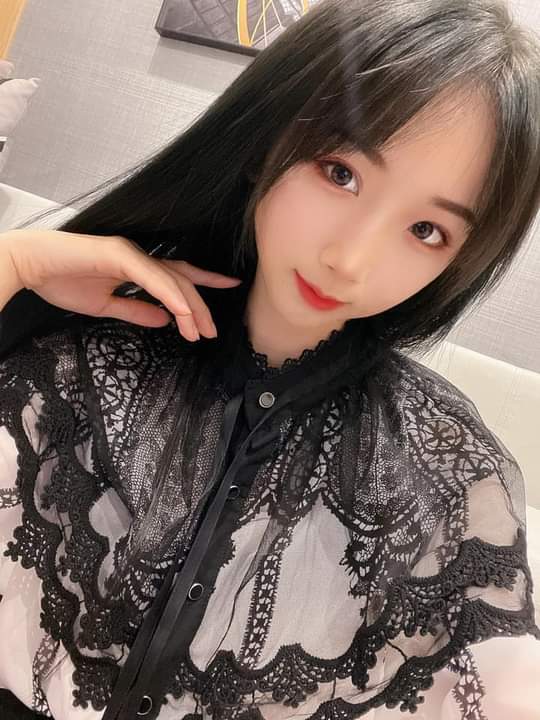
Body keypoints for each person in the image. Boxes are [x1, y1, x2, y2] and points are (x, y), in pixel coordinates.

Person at [1, 0, 540, 718]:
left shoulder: (448, 475)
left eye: (425, 230)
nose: (350, 260)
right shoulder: (79, 362)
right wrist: (15, 263)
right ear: (268, 141)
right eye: (340, 173)